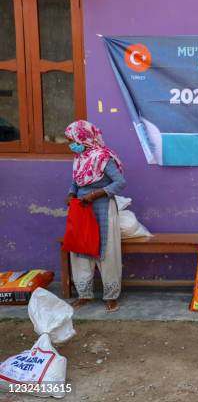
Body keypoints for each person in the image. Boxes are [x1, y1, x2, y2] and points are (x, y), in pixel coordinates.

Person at [64, 120, 126, 312]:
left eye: (73, 139)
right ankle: (85, 295)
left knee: (107, 251)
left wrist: (95, 194)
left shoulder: (103, 157)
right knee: (80, 248)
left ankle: (111, 296)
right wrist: (71, 194)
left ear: (84, 137)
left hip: (102, 208)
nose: (71, 143)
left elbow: (120, 182)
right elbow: (76, 182)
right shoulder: (79, 158)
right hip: (81, 208)